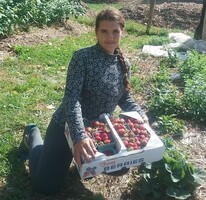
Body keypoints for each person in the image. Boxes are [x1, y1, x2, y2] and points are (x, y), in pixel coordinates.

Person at [19, 8, 148, 195]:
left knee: (121, 166)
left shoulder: (123, 64)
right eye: (104, 31)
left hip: (97, 129)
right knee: (45, 187)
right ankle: (32, 136)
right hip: (67, 126)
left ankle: (77, 160)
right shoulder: (82, 58)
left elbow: (124, 97)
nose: (110, 37)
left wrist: (140, 115)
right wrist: (79, 136)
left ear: (122, 32)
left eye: (115, 31)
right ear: (96, 32)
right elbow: (72, 99)